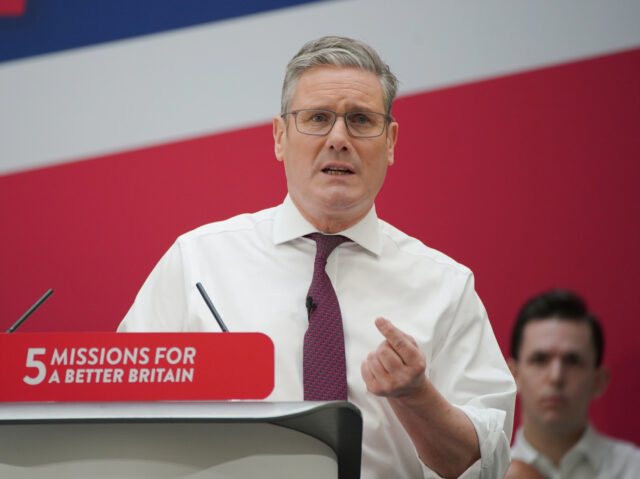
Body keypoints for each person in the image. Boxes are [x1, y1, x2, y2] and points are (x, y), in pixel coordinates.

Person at [118, 36, 515, 478]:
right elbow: (120, 424)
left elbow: (485, 466)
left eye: (362, 120)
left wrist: (416, 397)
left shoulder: (445, 285)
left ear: (390, 142)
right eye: (318, 118)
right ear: (280, 136)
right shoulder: (196, 264)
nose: (339, 139)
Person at [505, 289, 640, 479]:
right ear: (514, 375)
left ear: (598, 380)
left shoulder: (634, 469)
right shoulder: (484, 474)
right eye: (540, 359)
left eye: (572, 361)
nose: (556, 377)